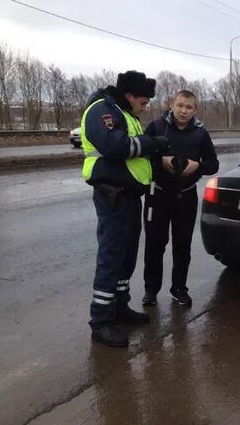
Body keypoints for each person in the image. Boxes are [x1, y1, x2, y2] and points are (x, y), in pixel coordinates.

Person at [81, 70, 170, 348]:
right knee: (111, 256)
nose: (145, 108)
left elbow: (132, 151)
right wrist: (149, 144)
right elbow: (115, 147)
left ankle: (120, 306)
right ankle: (101, 321)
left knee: (126, 255)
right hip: (113, 195)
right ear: (130, 95)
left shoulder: (126, 114)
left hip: (129, 195)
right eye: (143, 102)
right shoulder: (102, 110)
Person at [142, 90, 219, 307]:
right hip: (157, 196)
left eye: (188, 107)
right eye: (180, 105)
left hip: (186, 197)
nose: (183, 111)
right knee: (155, 245)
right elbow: (143, 155)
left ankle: (179, 289)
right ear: (172, 105)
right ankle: (151, 290)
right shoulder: (157, 127)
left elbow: (213, 163)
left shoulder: (200, 133)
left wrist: (199, 166)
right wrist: (161, 159)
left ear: (195, 110)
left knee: (182, 246)